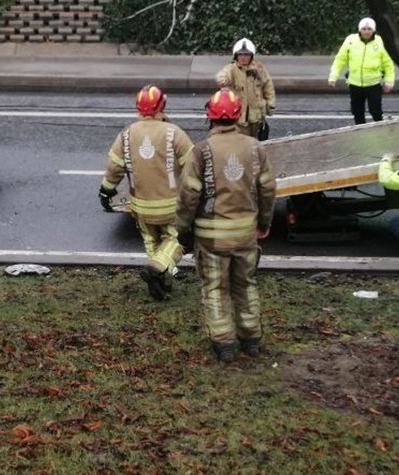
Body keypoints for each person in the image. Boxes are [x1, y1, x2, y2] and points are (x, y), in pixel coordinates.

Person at [176, 88, 277, 362]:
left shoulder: (201, 151)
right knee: (246, 286)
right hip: (246, 236)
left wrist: (182, 229)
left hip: (211, 240)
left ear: (209, 116)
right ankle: (251, 339)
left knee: (216, 289)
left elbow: (188, 196)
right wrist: (264, 223)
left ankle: (224, 345)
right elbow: (267, 190)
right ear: (237, 114)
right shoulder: (256, 148)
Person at [99, 85, 195, 301]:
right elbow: (193, 167)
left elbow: (114, 168)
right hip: (171, 205)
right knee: (176, 241)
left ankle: (161, 281)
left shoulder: (126, 135)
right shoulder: (174, 134)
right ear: (163, 106)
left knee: (152, 242)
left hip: (140, 206)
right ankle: (159, 269)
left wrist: (105, 191)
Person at [328, 17, 395, 124]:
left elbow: (388, 64)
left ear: (374, 30)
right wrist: (333, 76)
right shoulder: (350, 40)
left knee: (376, 112)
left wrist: (389, 81)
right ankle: (360, 134)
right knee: (357, 112)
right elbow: (340, 59)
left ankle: (381, 134)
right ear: (359, 30)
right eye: (364, 29)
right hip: (355, 84)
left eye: (369, 29)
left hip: (373, 84)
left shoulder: (380, 42)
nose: (366, 31)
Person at [215, 37, 275, 140]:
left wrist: (270, 105)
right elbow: (221, 75)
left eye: (246, 54)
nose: (243, 57)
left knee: (258, 143)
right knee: (241, 143)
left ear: (251, 55)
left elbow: (268, 87)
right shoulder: (232, 69)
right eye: (240, 54)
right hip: (239, 118)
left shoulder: (259, 69)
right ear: (236, 56)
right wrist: (223, 80)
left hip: (257, 116)